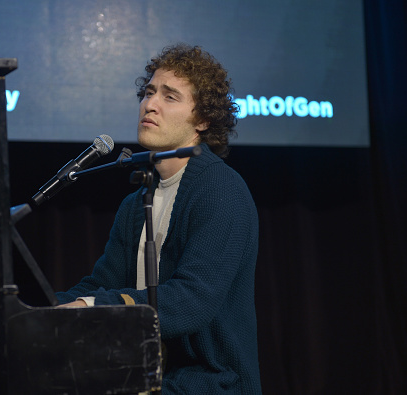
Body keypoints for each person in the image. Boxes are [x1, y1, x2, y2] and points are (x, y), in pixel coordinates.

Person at [57, 43, 262, 394]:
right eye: (149, 92)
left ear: (203, 120)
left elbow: (192, 300)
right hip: (151, 380)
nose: (150, 104)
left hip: (211, 384)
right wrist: (40, 312)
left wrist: (88, 307)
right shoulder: (137, 202)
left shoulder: (221, 189)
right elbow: (100, 285)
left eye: (170, 97)